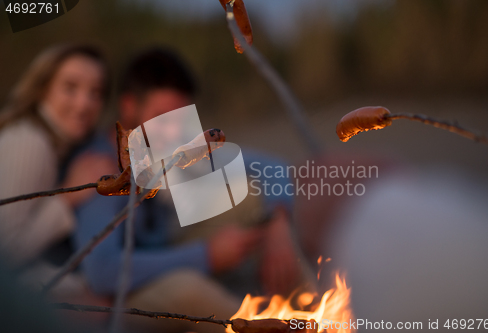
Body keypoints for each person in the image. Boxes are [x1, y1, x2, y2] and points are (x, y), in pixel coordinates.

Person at [73, 48, 304, 333]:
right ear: (129, 106)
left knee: (254, 196)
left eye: (182, 118)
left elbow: (273, 167)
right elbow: (102, 271)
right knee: (189, 291)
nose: (174, 133)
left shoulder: (175, 147)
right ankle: (269, 326)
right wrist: (207, 255)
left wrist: (278, 224)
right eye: (162, 117)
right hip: (121, 293)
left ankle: (319, 316)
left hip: (171, 249)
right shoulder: (102, 165)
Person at [0, 44, 111, 274]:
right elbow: (6, 251)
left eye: (96, 93)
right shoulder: (28, 142)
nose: (84, 104)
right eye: (70, 88)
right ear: (42, 88)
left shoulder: (55, 142)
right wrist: (69, 194)